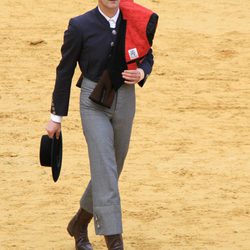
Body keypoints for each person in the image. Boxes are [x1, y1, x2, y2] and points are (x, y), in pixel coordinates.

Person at [45, 0, 158, 249]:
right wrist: (56, 117)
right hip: (92, 101)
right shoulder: (80, 25)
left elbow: (147, 54)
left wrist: (142, 72)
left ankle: (79, 223)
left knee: (111, 168)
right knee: (106, 168)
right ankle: (114, 241)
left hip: (126, 98)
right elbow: (64, 71)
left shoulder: (133, 19)